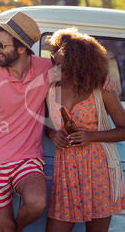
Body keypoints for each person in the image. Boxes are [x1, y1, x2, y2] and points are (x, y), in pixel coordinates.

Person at [0, 12, 116, 232]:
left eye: (1, 44)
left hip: (27, 158)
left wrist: (104, 78)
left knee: (36, 203)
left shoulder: (47, 68)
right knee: (3, 226)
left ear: (22, 48)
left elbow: (80, 70)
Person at [44, 28, 125, 232]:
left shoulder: (101, 90)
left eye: (62, 64)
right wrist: (53, 134)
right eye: (54, 59)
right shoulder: (51, 89)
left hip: (99, 170)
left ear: (79, 64)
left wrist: (92, 136)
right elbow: (47, 124)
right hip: (66, 172)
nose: (55, 65)